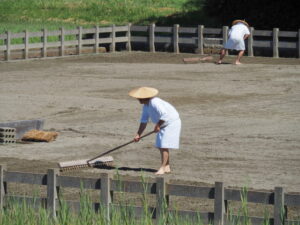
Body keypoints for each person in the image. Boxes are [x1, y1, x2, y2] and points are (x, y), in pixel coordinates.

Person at [129, 87, 181, 175]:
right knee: (160, 144)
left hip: (171, 123)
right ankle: (167, 167)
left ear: (144, 97)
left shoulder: (154, 102)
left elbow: (165, 114)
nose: (138, 99)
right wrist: (138, 134)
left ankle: (163, 168)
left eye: (139, 98)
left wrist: (158, 125)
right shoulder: (146, 106)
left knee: (163, 145)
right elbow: (144, 121)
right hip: (163, 124)